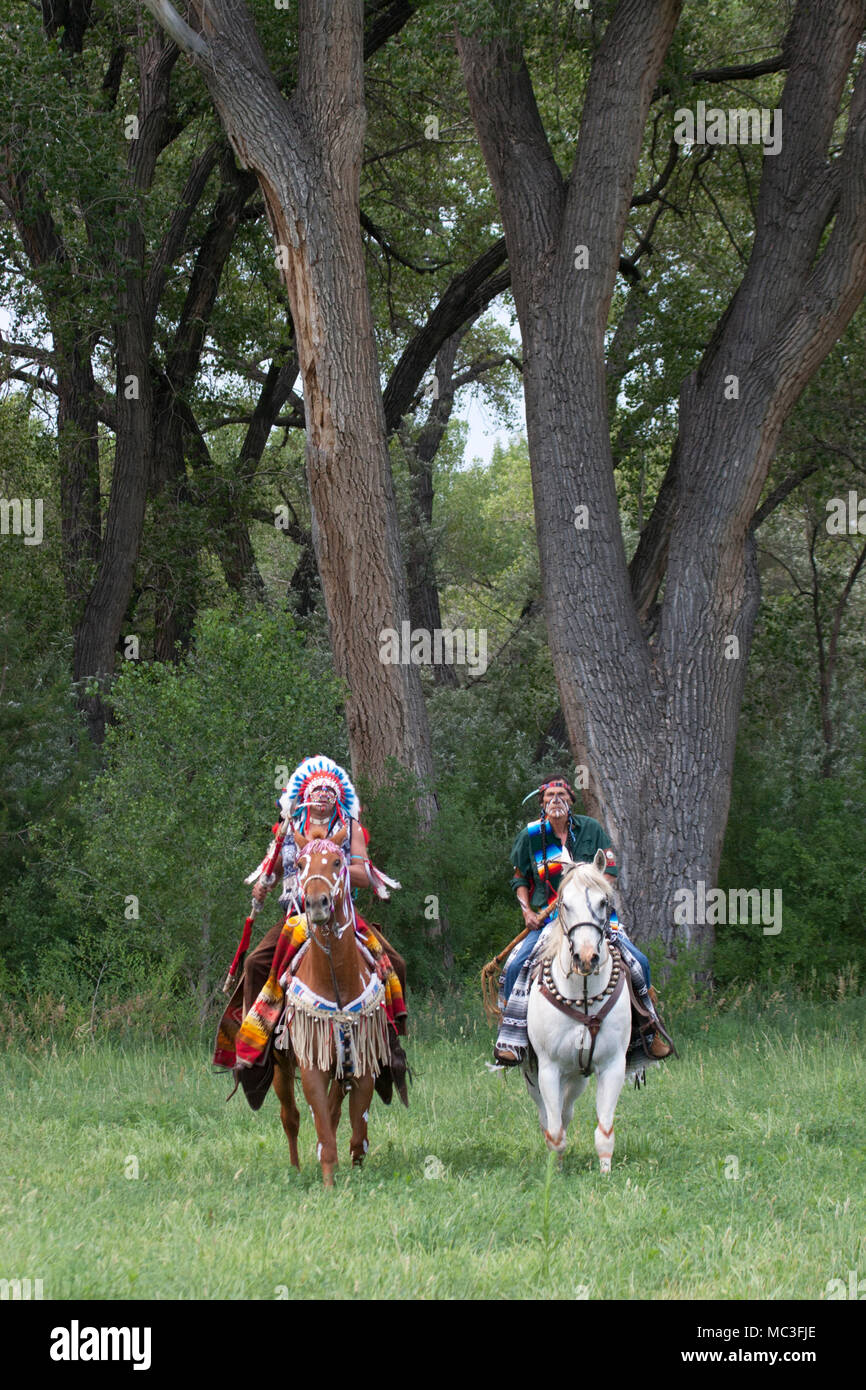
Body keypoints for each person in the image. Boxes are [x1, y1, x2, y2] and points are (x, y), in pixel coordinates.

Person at [214, 755, 408, 1103]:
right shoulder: (287, 826)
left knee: (395, 963)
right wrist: (263, 885)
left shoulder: (351, 829)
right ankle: (258, 1043)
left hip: (341, 914)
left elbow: (365, 875)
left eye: (328, 792)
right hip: (295, 915)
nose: (322, 797)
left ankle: (390, 1045)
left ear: (338, 797)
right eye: (316, 791)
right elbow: (272, 871)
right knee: (255, 963)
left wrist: (333, 865)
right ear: (305, 794)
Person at [493, 773, 672, 1064]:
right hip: (549, 919)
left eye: (562, 796)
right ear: (541, 803)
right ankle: (512, 1040)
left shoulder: (591, 830)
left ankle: (648, 1034)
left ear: (571, 801)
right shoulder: (530, 836)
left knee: (640, 962)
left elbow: (610, 870)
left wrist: (591, 895)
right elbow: (519, 878)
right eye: (550, 797)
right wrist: (527, 912)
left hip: (595, 918)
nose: (556, 801)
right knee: (516, 965)